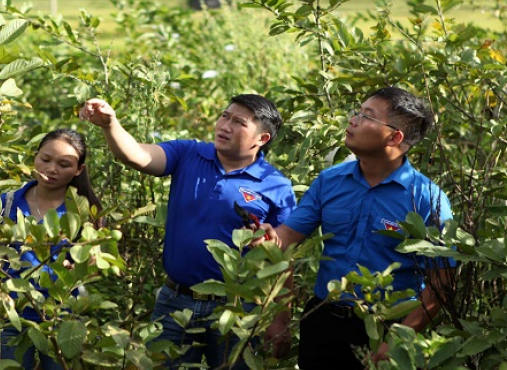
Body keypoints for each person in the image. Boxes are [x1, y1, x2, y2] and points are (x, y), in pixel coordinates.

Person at [79, 94, 297, 368]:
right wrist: (110, 124)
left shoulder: (276, 185)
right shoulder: (188, 153)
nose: (225, 125)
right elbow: (137, 156)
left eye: (239, 122)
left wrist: (280, 319)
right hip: (175, 302)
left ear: (262, 139)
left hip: (238, 310)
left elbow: (284, 256)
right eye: (224, 116)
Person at [261, 86, 454, 369]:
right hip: (323, 320)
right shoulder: (330, 181)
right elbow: (287, 238)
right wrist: (266, 238)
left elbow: (441, 283)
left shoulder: (427, 198)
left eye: (367, 116)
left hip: (387, 327)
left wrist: (402, 337)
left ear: (394, 136)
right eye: (357, 112)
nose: (352, 120)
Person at [0, 129, 102, 369]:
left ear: (78, 170)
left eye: (63, 164)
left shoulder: (84, 211)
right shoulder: (6, 202)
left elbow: (94, 267)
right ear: (35, 156)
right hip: (10, 318)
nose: (52, 169)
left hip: (62, 317)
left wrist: (78, 265)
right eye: (45, 159)